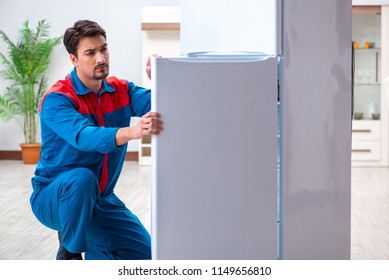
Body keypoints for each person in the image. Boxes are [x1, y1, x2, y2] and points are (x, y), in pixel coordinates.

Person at [29, 19, 163, 260]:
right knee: (81, 178)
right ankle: (69, 252)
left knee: (147, 258)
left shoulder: (121, 90)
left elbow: (165, 105)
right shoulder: (57, 99)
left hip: (102, 199)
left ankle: (93, 248)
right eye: (90, 53)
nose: (101, 58)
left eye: (103, 49)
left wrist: (161, 79)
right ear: (74, 59)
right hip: (55, 197)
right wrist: (131, 132)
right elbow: (84, 136)